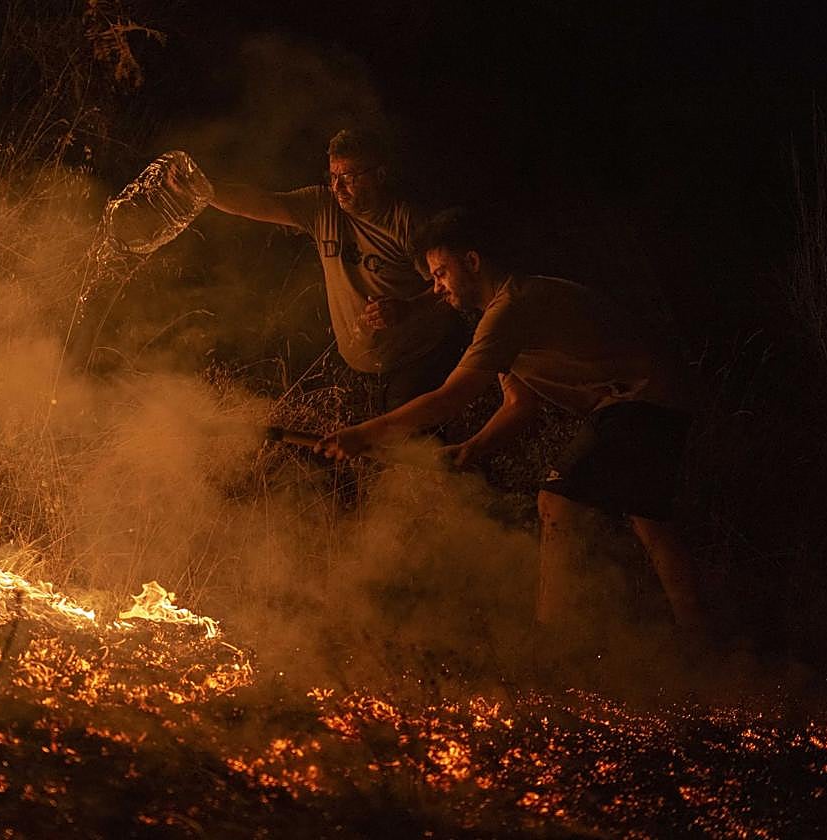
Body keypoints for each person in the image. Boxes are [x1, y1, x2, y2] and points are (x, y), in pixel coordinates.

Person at [315, 211, 707, 633]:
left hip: (642, 395)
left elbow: (452, 396)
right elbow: (521, 403)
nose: (437, 287)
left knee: (556, 502)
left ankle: (553, 639)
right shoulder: (503, 315)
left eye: (441, 273)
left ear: (473, 261)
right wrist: (472, 449)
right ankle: (700, 641)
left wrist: (363, 433)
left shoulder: (512, 308)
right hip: (651, 397)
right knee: (649, 521)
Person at [207, 129, 468, 411]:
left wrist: (408, 308)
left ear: (379, 175)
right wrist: (201, 188)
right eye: (333, 176)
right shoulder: (322, 208)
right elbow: (256, 202)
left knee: (410, 447)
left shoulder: (407, 222)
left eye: (350, 177)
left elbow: (455, 286)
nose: (338, 187)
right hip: (358, 367)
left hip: (415, 361)